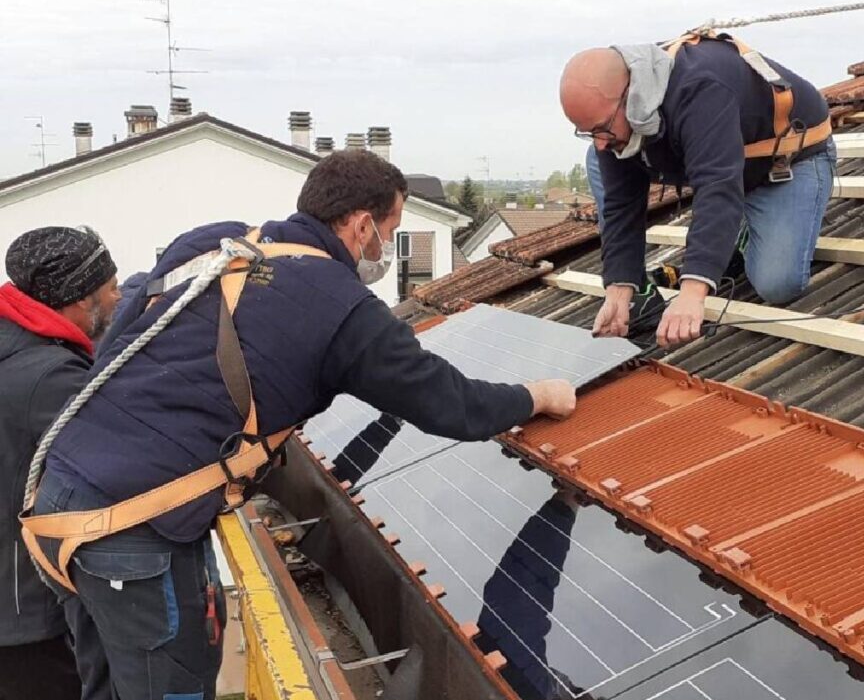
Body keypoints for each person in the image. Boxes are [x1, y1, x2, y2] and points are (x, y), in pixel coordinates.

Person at [26, 149, 577, 700]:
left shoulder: (216, 241)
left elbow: (120, 335)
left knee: (101, 686)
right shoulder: (341, 307)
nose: (387, 247)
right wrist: (536, 395)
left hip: (56, 502)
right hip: (132, 530)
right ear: (363, 225)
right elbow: (452, 405)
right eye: (391, 229)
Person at [560, 35, 836, 347]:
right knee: (598, 160)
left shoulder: (700, 89)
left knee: (778, 284)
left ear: (633, 98)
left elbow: (717, 187)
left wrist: (692, 293)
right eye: (588, 132)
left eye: (600, 128)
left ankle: (744, 236)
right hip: (723, 159)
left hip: (786, 163)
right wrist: (618, 287)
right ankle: (640, 292)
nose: (599, 141)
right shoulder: (617, 120)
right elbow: (621, 204)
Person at [0, 226, 119, 700]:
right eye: (110, 287)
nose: (118, 297)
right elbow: (114, 464)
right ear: (77, 300)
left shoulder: (15, 350)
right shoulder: (51, 378)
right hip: (23, 614)